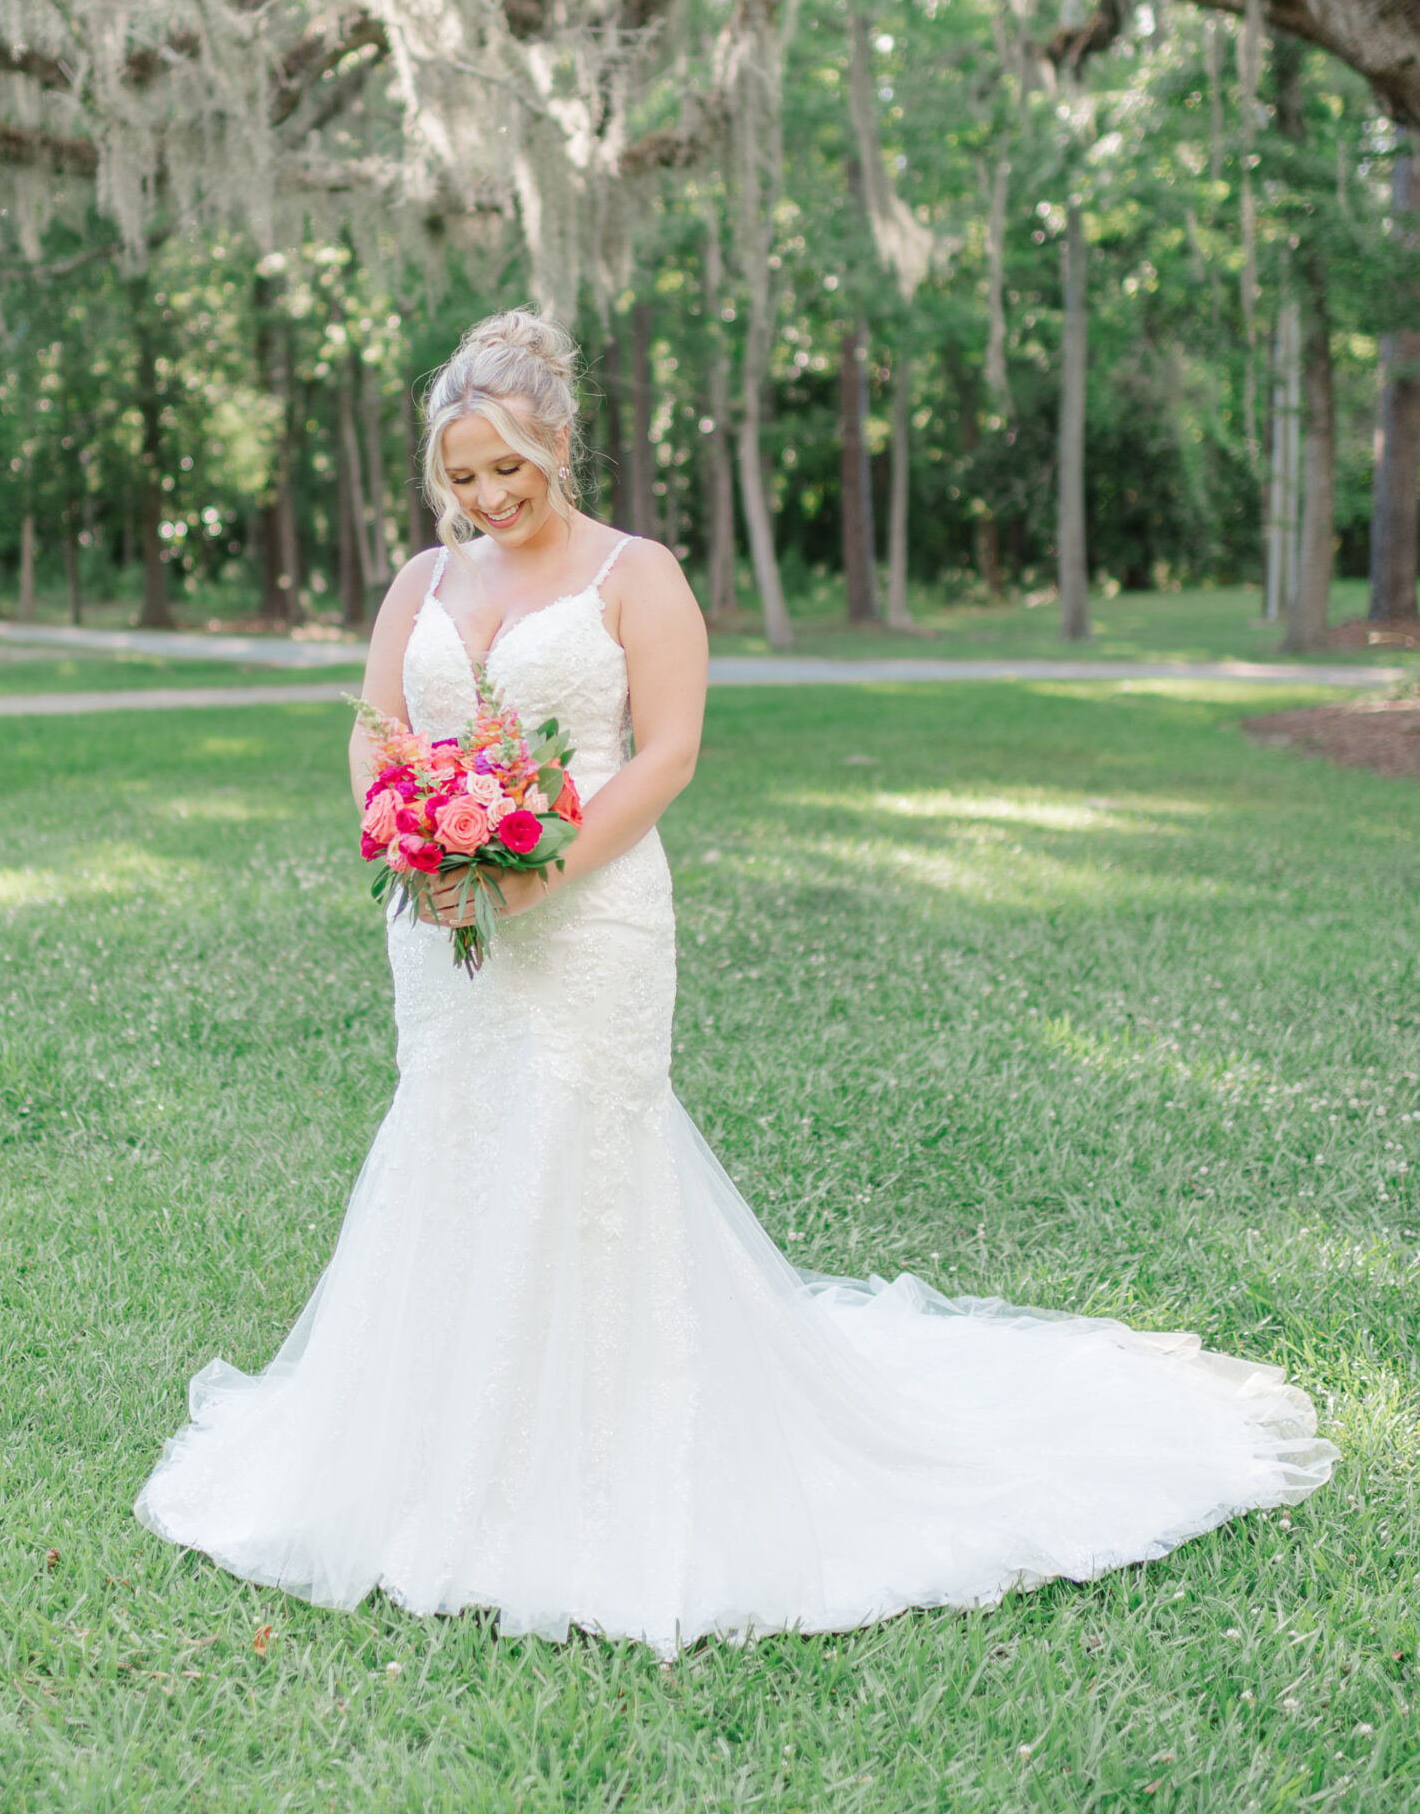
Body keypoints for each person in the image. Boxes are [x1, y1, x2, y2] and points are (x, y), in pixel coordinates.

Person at [135, 309, 1334, 1652]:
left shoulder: (633, 575)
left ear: (558, 443)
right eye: (460, 476)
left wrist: (536, 874)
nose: (485, 498)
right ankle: (441, 1437)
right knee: (456, 1135)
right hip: (438, 918)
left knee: (580, 1144)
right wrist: (400, 838)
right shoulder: (421, 582)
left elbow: (666, 753)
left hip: (587, 909)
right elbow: (376, 727)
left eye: (507, 470)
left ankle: (600, 1453)